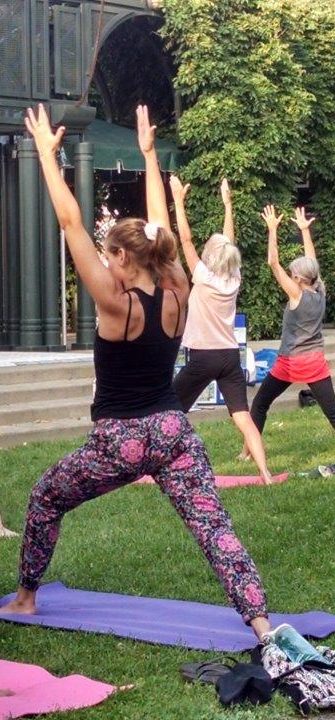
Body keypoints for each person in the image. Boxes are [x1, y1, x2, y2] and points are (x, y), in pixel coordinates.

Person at [0, 105, 272, 641]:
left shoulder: (113, 301)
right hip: (173, 432)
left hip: (120, 438)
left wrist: (49, 160)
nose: (104, 262)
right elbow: (161, 228)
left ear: (123, 256)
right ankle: (262, 625)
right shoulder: (177, 287)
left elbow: (70, 222)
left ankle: (28, 596)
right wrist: (149, 157)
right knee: (213, 527)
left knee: (44, 498)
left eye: (109, 255)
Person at [170, 176, 274, 483]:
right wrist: (228, 205)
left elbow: (185, 240)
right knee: (242, 416)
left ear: (211, 257)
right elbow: (230, 242)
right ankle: (265, 473)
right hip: (230, 356)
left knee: (171, 410)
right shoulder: (234, 278)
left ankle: (165, 462)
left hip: (203, 356)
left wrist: (178, 201)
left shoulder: (202, 275)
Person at [246, 206, 335, 464]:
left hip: (290, 363)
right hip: (314, 362)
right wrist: (304, 231)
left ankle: (247, 452)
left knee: (259, 404)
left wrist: (272, 230)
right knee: (332, 411)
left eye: (293, 275)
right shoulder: (319, 290)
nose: (290, 276)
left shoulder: (296, 294)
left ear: (299, 279)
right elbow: (313, 264)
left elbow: (272, 263)